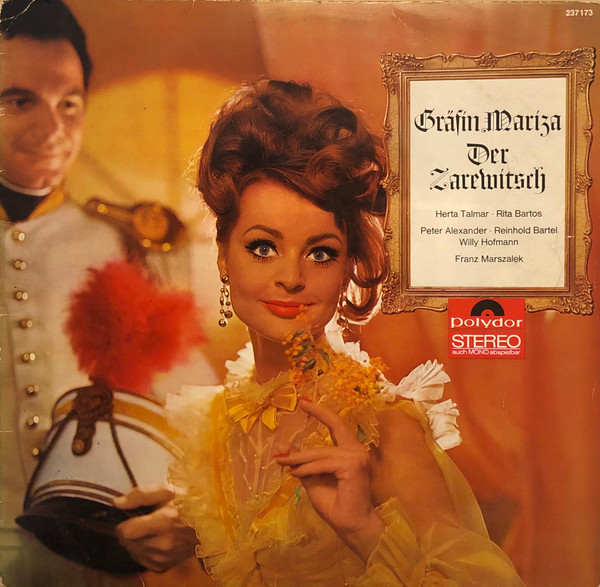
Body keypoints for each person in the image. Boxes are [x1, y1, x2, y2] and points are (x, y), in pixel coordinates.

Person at [167, 79, 525, 585]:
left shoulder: (382, 426)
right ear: (223, 256)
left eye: (321, 253)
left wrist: (363, 529)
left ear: (348, 270)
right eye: (263, 247)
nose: (291, 277)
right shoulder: (213, 425)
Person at [0, 1, 216, 585]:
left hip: (94, 563)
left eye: (69, 103)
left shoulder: (120, 244)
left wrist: (189, 508)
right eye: (19, 101)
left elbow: (194, 408)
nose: (53, 130)